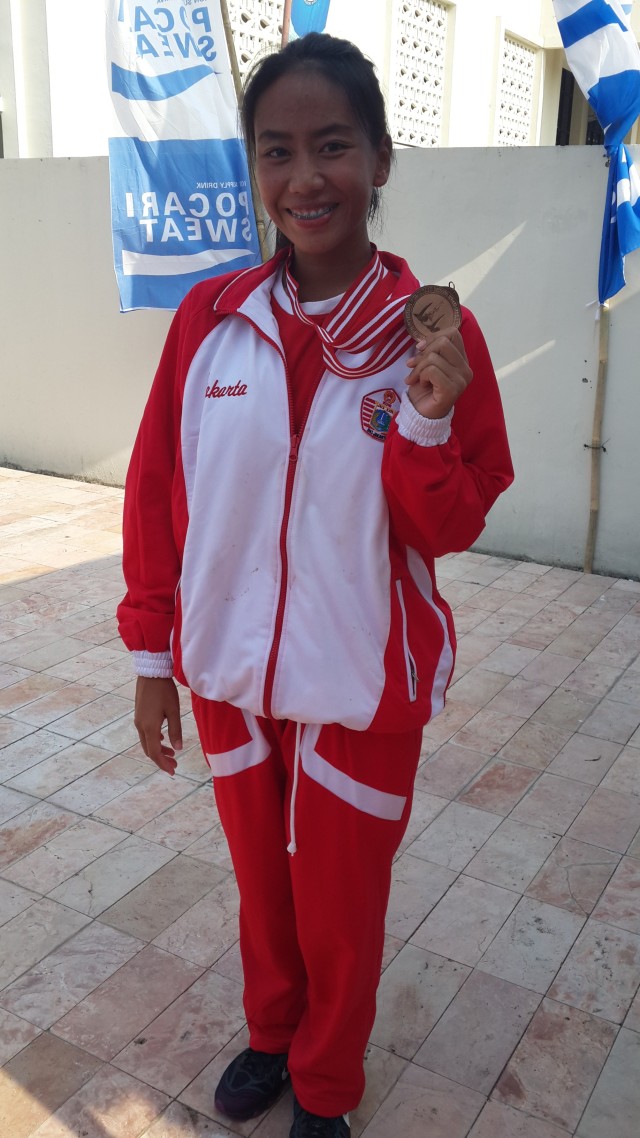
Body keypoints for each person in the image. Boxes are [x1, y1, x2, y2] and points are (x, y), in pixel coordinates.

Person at [117, 32, 513, 1138]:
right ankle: (272, 1033)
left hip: (361, 680)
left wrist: (424, 421)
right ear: (254, 167)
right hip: (231, 674)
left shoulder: (434, 337)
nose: (305, 178)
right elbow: (159, 492)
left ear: (380, 160)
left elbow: (453, 521)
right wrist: (153, 656)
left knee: (341, 901)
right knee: (263, 883)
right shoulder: (210, 322)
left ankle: (327, 1086)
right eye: (277, 151)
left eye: (332, 145)